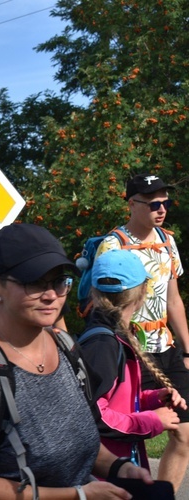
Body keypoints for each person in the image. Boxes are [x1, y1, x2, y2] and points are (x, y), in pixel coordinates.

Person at [0, 223, 153, 499]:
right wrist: (78, 494)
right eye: (34, 282)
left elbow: (82, 442)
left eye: (58, 282)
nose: (51, 295)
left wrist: (119, 467)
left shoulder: (67, 348)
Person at [95, 172, 189, 491]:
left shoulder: (168, 240)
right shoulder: (113, 245)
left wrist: (187, 350)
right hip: (132, 350)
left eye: (165, 202)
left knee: (185, 432)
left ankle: (164, 494)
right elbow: (102, 300)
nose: (161, 209)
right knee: (132, 433)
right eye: (153, 203)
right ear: (132, 204)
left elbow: (173, 299)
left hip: (166, 347)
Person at [80, 249, 186, 473]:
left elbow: (118, 400)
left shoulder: (115, 336)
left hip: (120, 468)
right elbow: (95, 417)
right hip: (106, 474)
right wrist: (151, 421)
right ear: (143, 293)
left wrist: (153, 398)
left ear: (94, 291)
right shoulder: (103, 345)